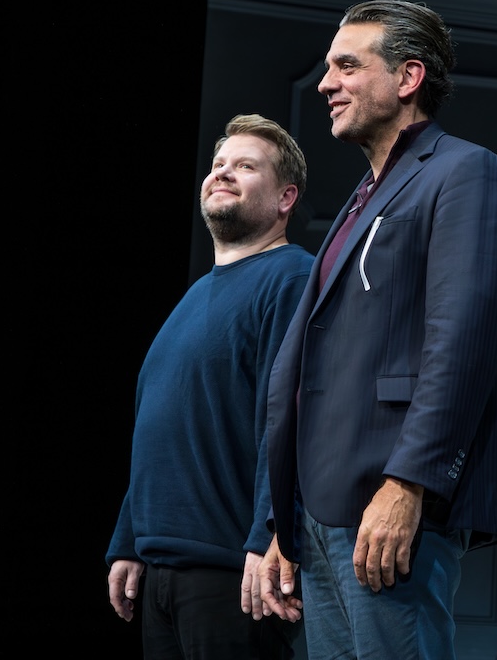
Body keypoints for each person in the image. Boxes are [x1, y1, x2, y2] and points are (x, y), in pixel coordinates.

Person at [246, 0, 497, 659]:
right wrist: (281, 521)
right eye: (327, 68)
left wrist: (410, 485)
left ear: (407, 79)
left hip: (387, 496)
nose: (325, 83)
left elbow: (463, 343)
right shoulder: (361, 197)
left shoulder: (465, 172)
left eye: (347, 65)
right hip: (318, 513)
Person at [106, 113, 314, 659]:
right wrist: (129, 538)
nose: (222, 174)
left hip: (234, 571)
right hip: (159, 568)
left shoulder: (292, 278)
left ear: (285, 197)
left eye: (245, 166)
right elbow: (161, 424)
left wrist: (268, 537)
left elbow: (287, 417)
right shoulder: (195, 294)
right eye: (219, 164)